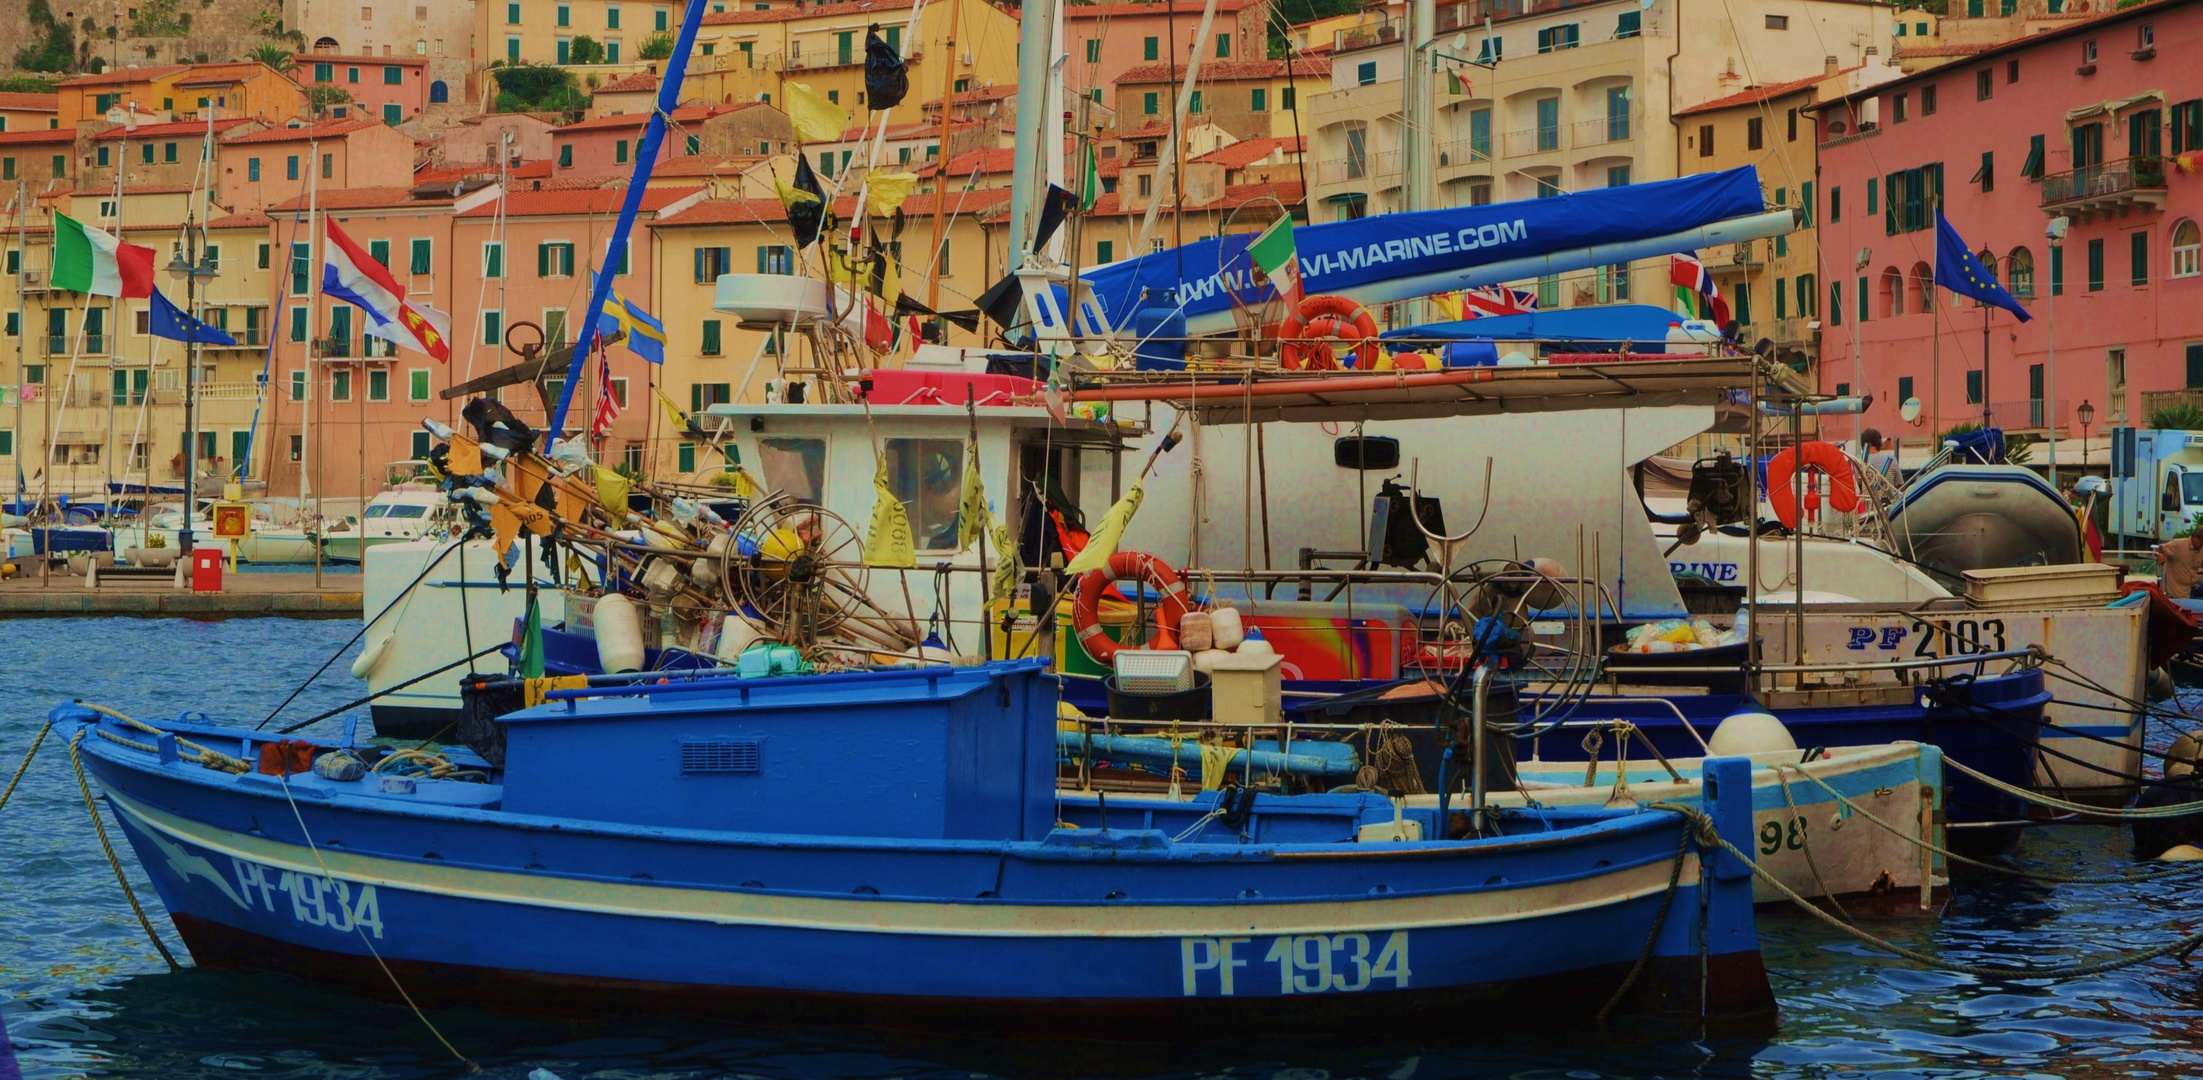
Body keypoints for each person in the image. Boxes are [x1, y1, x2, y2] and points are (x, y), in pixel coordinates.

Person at [2155, 529, 2203, 599]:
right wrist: (2160, 554)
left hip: (2194, 586)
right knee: (2191, 608)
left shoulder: (2201, 550)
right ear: (2195, 537)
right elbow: (2158, 549)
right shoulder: (2178, 544)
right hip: (2179, 591)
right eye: (2202, 540)